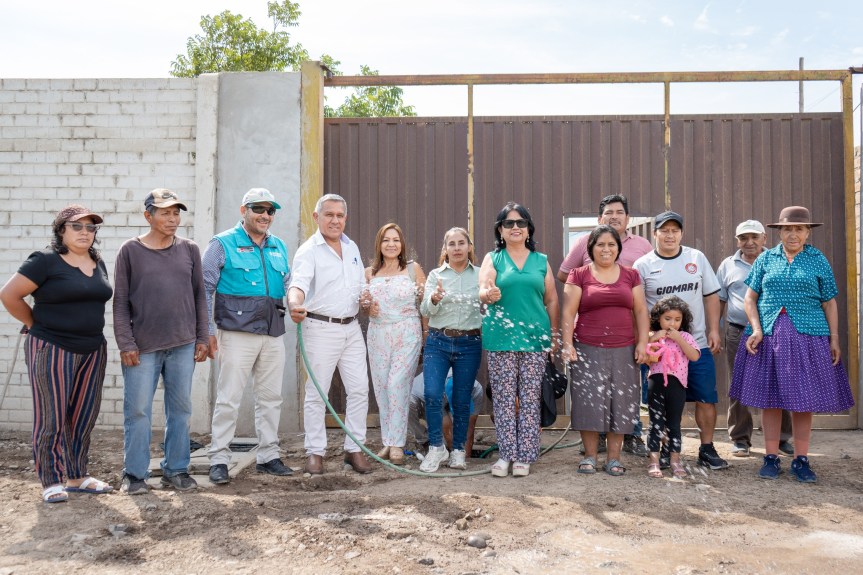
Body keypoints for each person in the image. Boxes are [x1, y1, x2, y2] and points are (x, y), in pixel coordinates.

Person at [730, 206, 853, 483]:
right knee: (770, 399)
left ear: (808, 232)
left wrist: (834, 338)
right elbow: (750, 298)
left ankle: (801, 459)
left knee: (803, 401)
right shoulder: (766, 259)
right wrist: (757, 329)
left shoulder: (817, 259)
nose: (793, 234)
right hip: (769, 335)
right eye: (787, 229)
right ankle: (771, 457)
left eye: (799, 229)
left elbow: (829, 302)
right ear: (779, 232)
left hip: (809, 336)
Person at [0, 205, 113, 503]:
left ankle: (77, 476)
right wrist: (33, 324)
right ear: (61, 229)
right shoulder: (45, 261)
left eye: (91, 228)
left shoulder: (96, 261)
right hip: (52, 347)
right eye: (77, 227)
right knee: (51, 417)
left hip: (92, 348)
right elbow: (9, 295)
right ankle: (51, 480)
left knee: (83, 416)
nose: (85, 233)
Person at [113, 189, 209, 495]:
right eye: (165, 212)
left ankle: (176, 469)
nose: (172, 219)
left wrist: (202, 336)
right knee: (138, 410)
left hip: (182, 343)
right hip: (142, 347)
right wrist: (126, 342)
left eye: (176, 213)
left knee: (180, 409)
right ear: (148, 216)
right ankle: (135, 474)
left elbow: (199, 296)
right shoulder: (130, 250)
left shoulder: (189, 249)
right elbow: (120, 303)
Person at [203, 188, 293, 485]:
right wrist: (206, 331)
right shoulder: (221, 243)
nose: (265, 215)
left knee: (270, 398)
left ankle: (268, 455)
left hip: (272, 331)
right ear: (244, 211)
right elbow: (204, 288)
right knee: (229, 397)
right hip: (236, 332)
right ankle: (218, 458)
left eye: (270, 211)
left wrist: (299, 304)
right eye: (258, 209)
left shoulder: (278, 245)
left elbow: (289, 283)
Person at [557, 194, 652, 457]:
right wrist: (567, 344)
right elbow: (568, 311)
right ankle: (590, 455)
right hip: (587, 342)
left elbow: (641, 309)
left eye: (611, 245)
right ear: (591, 248)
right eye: (600, 244)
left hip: (625, 343)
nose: (606, 249)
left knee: (623, 400)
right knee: (589, 399)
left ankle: (616, 456)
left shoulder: (633, 269)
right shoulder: (579, 273)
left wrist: (643, 341)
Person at [633, 211, 729, 470]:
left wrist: (714, 330)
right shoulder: (642, 265)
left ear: (681, 233)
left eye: (675, 230)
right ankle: (665, 451)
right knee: (662, 403)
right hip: (662, 350)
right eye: (664, 230)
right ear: (655, 233)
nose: (670, 235)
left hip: (695, 343)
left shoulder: (696, 258)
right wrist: (646, 339)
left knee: (706, 398)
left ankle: (707, 449)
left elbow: (710, 295)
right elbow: (638, 307)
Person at [288, 193, 372, 475]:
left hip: (351, 328)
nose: (335, 220)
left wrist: (366, 300)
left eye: (340, 215)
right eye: (329, 215)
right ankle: (315, 453)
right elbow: (297, 285)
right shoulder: (308, 251)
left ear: (345, 218)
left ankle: (354, 449)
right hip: (320, 327)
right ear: (316, 217)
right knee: (317, 393)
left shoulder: (352, 248)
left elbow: (361, 285)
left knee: (359, 389)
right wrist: (294, 303)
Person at [479, 202, 559, 478]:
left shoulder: (542, 261)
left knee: (529, 399)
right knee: (503, 399)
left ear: (528, 229)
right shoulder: (493, 258)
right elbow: (484, 285)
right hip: (501, 338)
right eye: (509, 223)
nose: (515, 227)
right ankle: (505, 455)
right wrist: (488, 293)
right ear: (500, 230)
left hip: (535, 339)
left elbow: (551, 299)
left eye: (521, 223)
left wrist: (554, 336)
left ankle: (525, 455)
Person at [716, 219, 792, 458]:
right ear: (737, 240)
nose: (749, 242)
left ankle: (781, 438)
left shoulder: (778, 260)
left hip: (773, 331)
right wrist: (716, 330)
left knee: (779, 382)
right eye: (743, 238)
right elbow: (720, 299)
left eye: (754, 237)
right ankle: (740, 438)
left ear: (764, 239)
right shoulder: (728, 265)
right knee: (738, 383)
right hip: (737, 330)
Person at [418, 227, 483, 471]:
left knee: (461, 399)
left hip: (470, 343)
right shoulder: (436, 275)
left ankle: (457, 451)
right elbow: (425, 310)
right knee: (433, 393)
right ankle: (436, 448)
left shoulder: (480, 274)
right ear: (445, 249)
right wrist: (434, 298)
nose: (456, 248)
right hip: (438, 341)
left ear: (469, 247)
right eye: (451, 244)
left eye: (461, 243)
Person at [362, 223, 425, 466]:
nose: (391, 244)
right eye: (386, 240)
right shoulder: (369, 273)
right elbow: (364, 306)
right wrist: (368, 308)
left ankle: (398, 443)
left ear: (402, 244)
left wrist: (426, 331)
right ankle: (388, 441)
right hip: (377, 334)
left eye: (396, 240)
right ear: (379, 244)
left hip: (407, 332)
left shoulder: (412, 269)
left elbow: (426, 303)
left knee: (396, 384)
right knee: (381, 387)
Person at [644, 296, 701, 479]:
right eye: (667, 319)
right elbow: (647, 359)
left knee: (674, 424)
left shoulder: (686, 337)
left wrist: (679, 339)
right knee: (656, 424)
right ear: (658, 319)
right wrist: (653, 339)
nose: (672, 323)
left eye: (677, 319)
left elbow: (694, 356)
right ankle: (654, 461)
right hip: (656, 383)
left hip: (677, 386)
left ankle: (675, 460)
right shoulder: (652, 336)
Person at [408, 370, 484, 455]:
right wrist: (454, 454)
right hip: (421, 397)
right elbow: (447, 429)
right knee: (408, 403)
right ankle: (425, 441)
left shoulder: (477, 390)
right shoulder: (435, 390)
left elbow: (470, 427)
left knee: (454, 440)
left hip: (444, 399)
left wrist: (466, 456)